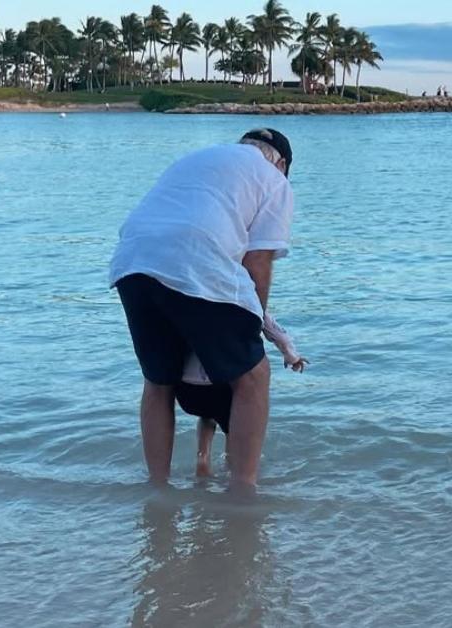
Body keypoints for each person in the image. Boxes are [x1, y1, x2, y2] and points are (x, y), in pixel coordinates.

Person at [109, 128, 295, 490]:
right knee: (252, 376)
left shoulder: (200, 158)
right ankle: (243, 492)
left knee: (159, 380)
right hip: (194, 256)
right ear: (282, 163)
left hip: (132, 261)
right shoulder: (274, 179)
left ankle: (158, 489)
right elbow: (258, 259)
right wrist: (253, 323)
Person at [179, 312, 307, 477]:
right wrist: (291, 355)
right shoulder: (236, 297)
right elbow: (271, 327)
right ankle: (231, 469)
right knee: (233, 427)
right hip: (220, 385)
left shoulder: (186, 296)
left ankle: (202, 458)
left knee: (207, 415)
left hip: (187, 391)